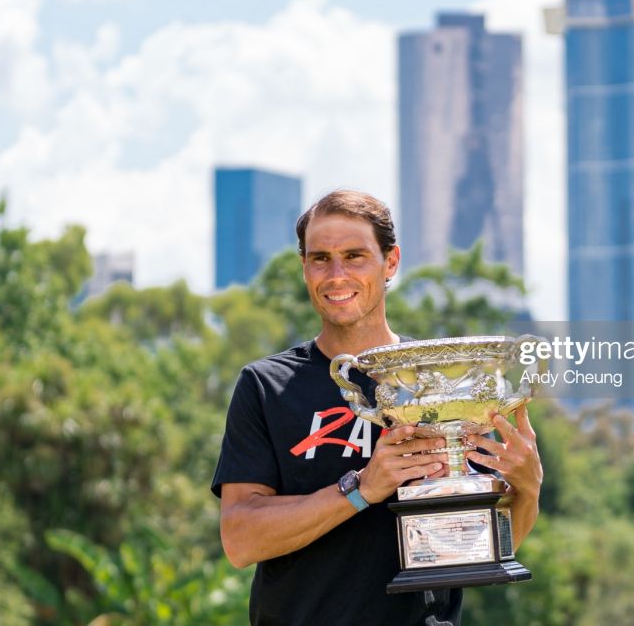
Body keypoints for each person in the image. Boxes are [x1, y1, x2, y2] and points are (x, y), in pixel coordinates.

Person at [211, 190, 542, 626]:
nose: (336, 274)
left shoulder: (444, 382)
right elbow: (240, 540)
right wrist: (361, 489)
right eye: (320, 258)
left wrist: (527, 487)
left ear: (391, 262)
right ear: (304, 268)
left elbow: (482, 547)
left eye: (354, 256)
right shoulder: (267, 386)